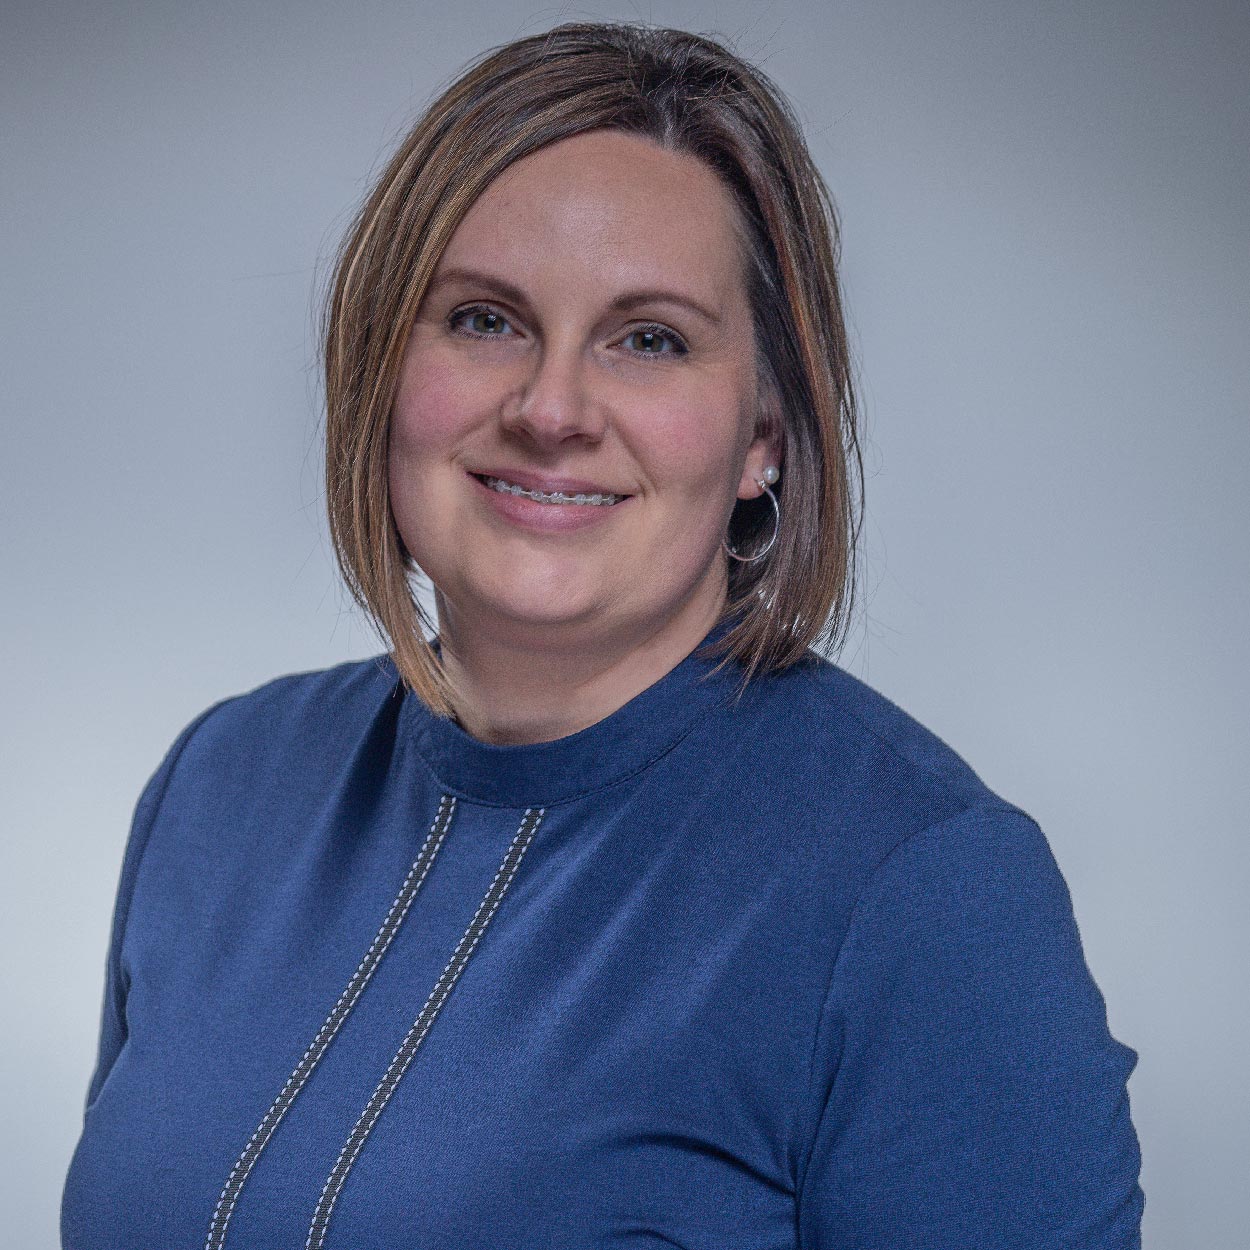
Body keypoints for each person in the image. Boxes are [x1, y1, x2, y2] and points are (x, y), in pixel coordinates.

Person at [61, 21, 1143, 1249]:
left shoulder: (926, 892)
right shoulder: (221, 782)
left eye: (649, 339)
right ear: (379, 363)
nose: (552, 407)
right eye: (482, 319)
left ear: (763, 435)